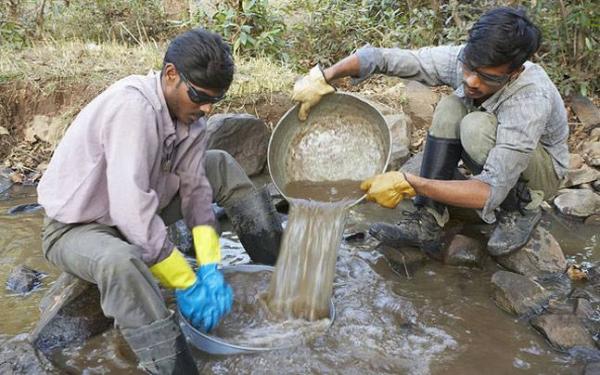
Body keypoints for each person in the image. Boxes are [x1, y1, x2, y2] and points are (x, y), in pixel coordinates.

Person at [37, 28, 282, 374]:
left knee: (220, 165)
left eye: (215, 100)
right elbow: (130, 209)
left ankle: (278, 274)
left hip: (139, 208)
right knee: (121, 262)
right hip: (79, 228)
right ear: (171, 75)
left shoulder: (192, 121)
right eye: (199, 95)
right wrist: (185, 279)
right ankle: (174, 366)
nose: (207, 107)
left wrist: (210, 266)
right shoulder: (133, 107)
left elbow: (197, 193)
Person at [292, 7, 569, 258]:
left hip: (539, 172)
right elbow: (382, 58)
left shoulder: (530, 99)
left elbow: (489, 191)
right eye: (470, 68)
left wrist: (410, 182)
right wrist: (322, 77)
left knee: (475, 127)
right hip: (489, 148)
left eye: (488, 77)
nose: (471, 81)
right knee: (451, 106)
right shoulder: (462, 60)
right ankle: (429, 217)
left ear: (514, 73)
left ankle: (522, 208)